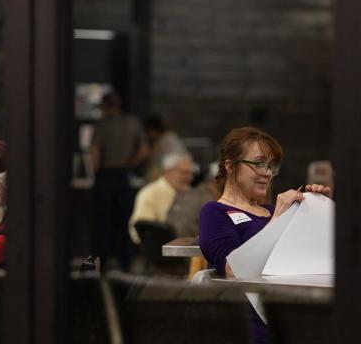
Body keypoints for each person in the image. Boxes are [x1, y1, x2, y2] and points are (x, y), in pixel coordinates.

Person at [198, 126, 330, 344]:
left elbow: (312, 256)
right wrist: (277, 219)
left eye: (271, 166)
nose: (267, 173)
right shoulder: (214, 212)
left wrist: (319, 211)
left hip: (300, 315)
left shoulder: (271, 211)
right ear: (230, 166)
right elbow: (234, 269)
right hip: (258, 326)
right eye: (259, 163)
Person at [90, 92, 149, 270]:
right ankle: (126, 260)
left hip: (106, 173)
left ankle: (103, 261)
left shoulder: (101, 125)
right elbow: (145, 149)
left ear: (105, 106)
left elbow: (95, 152)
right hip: (124, 173)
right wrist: (131, 163)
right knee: (125, 220)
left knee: (103, 221)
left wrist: (95, 171)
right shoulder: (132, 122)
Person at [129, 153, 194, 244]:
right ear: (167, 172)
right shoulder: (149, 193)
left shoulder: (192, 193)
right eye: (184, 173)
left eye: (191, 173)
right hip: (159, 251)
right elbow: (141, 230)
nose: (189, 178)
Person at [144, 113, 190, 182]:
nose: (148, 135)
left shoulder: (166, 140)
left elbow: (162, 165)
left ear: (153, 130)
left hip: (171, 178)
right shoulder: (167, 138)